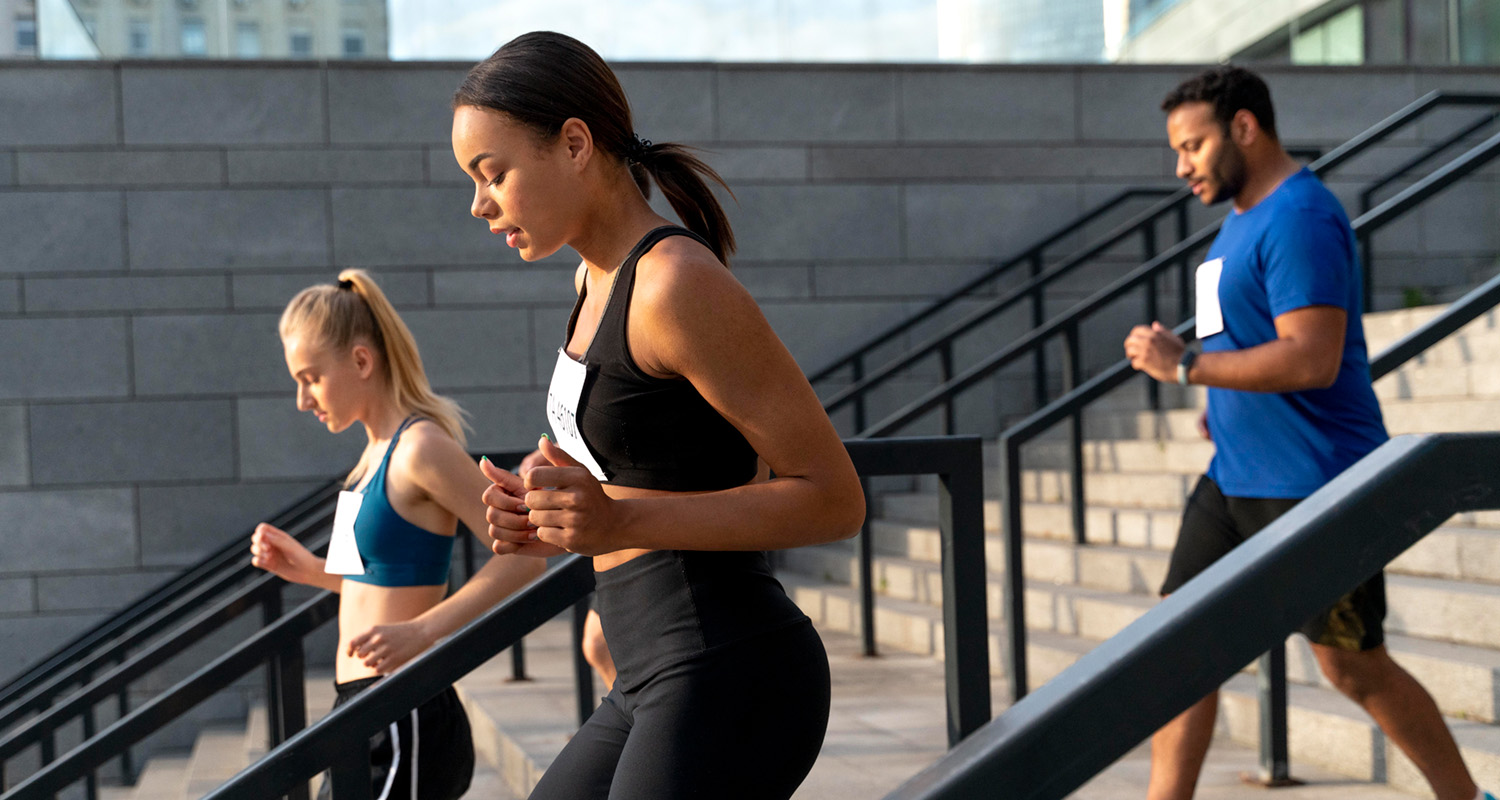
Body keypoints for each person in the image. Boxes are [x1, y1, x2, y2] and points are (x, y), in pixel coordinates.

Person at [453, 31, 865, 800]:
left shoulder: (675, 284)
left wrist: (615, 520)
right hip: (646, 670)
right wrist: (551, 510)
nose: (478, 204)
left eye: (493, 173)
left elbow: (835, 498)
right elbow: (648, 469)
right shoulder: (591, 281)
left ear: (574, 144)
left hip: (730, 667)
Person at [1124, 65, 1494, 800]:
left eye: (1192, 146)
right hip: (1234, 479)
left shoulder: (1300, 215)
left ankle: (1467, 799)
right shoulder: (1238, 223)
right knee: (1178, 652)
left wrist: (1190, 366)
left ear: (1245, 127)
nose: (1181, 167)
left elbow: (1313, 357)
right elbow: (1253, 342)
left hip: (1316, 486)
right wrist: (1221, 398)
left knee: (1354, 667)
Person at [250, 269, 545, 800]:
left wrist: (425, 631)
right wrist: (307, 570)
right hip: (359, 708)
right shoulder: (366, 460)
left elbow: (524, 559)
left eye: (311, 378)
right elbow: (372, 586)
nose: (302, 399)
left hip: (402, 708)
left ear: (362, 361)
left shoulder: (421, 447)